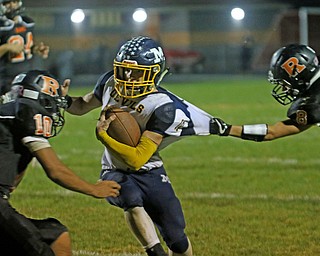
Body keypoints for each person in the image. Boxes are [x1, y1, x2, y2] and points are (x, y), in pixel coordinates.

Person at [63, 36, 228, 256]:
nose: (129, 76)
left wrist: (105, 137)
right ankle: (154, 250)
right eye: (125, 70)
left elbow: (139, 158)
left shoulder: (163, 105)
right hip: (114, 170)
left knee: (176, 237)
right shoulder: (110, 83)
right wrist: (62, 101)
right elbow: (82, 106)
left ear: (154, 73)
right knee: (129, 196)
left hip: (149, 168)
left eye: (137, 71)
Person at [0, 70, 121, 256]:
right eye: (52, 103)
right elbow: (55, 170)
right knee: (40, 250)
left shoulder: (9, 112)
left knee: (57, 234)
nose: (55, 109)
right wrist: (94, 189)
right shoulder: (27, 112)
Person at [211, 44, 320, 141]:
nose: (284, 90)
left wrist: (227, 130)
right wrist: (227, 129)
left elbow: (273, 132)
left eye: (285, 84)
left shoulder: (312, 103)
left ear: (298, 76)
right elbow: (273, 132)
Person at [0, 0, 49, 95]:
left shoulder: (28, 22)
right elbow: (10, 46)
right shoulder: (1, 26)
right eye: (7, 3)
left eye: (14, 1)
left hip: (27, 76)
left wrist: (36, 49)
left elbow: (26, 46)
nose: (11, 5)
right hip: (6, 79)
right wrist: (6, 47)